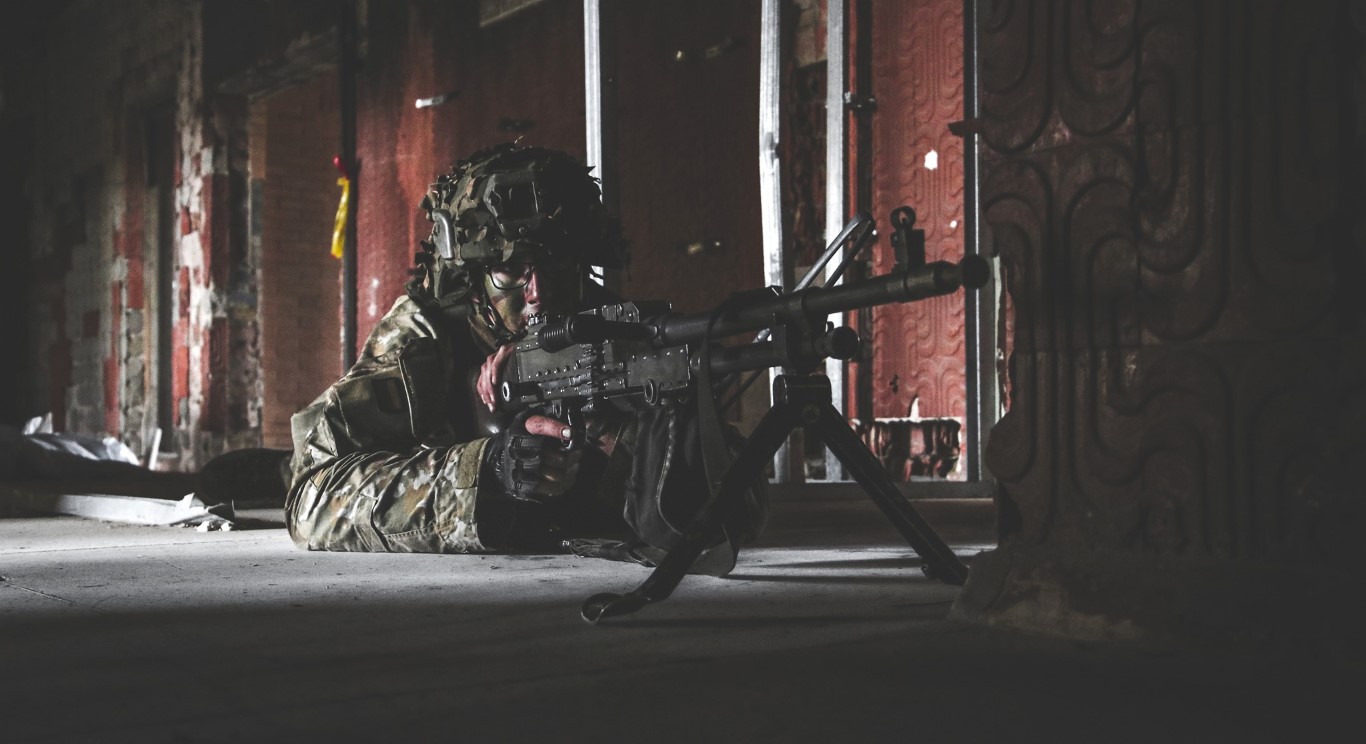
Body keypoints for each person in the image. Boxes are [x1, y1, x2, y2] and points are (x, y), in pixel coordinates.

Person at [285, 144, 763, 570]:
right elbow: (311, 501)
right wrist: (486, 470)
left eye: (557, 264)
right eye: (511, 270)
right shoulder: (422, 342)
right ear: (473, 277)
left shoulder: (613, 330)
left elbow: (740, 501)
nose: (539, 293)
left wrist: (619, 436)